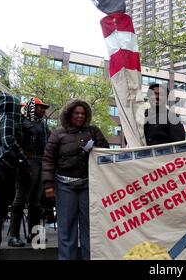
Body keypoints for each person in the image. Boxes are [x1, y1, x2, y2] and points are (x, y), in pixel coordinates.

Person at [42, 99, 109, 260]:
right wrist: (48, 184)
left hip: (88, 185)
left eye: (82, 113)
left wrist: (97, 147)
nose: (80, 116)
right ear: (69, 114)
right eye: (76, 113)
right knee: (67, 227)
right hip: (64, 186)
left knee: (89, 227)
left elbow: (106, 152)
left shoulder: (93, 131)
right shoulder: (58, 134)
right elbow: (48, 159)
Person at [0, 92, 29, 259]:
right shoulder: (9, 120)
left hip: (1, 174)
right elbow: (8, 141)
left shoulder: (4, 119)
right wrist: (23, 159)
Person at [8, 98, 51, 247]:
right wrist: (22, 163)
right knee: (20, 199)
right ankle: (14, 236)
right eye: (41, 107)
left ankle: (35, 235)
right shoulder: (21, 122)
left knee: (36, 201)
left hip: (41, 161)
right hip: (28, 161)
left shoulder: (43, 125)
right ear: (32, 107)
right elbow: (16, 142)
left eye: (44, 108)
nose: (43, 110)